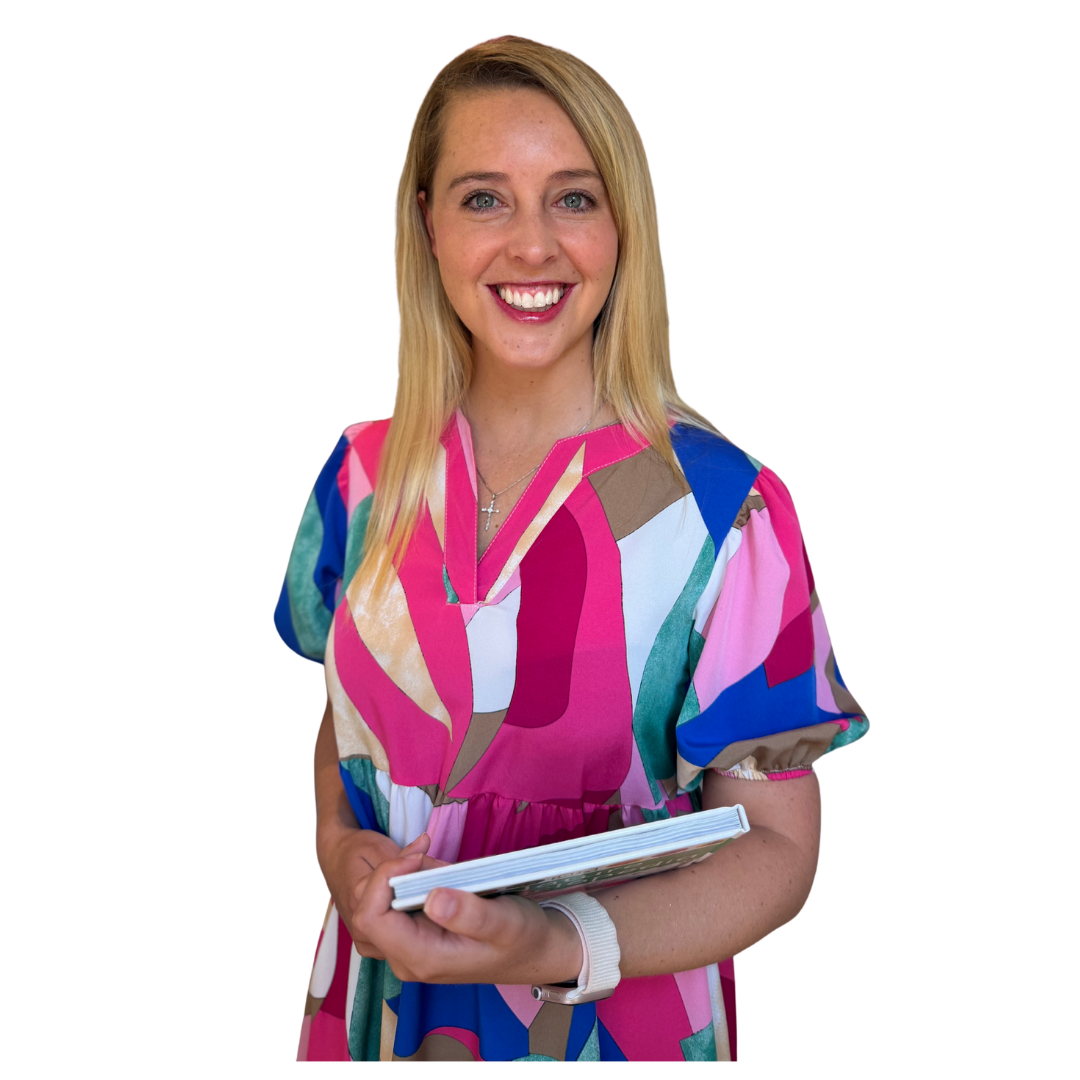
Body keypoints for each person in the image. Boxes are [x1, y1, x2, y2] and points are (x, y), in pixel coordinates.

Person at [275, 35, 868, 1062]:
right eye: (484, 198)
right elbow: (347, 725)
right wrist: (340, 850)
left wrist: (555, 939)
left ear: (623, 226)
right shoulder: (361, 477)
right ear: (425, 224)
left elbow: (776, 850)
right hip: (378, 1022)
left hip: (606, 1034)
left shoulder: (725, 512)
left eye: (573, 198)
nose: (533, 246)